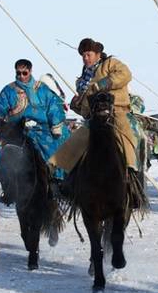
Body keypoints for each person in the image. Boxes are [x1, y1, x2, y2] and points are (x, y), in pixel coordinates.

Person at [49, 38, 141, 186]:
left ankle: (131, 172)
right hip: (93, 116)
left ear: (98, 54)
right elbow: (85, 110)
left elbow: (125, 74)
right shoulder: (82, 79)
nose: (85, 58)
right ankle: (62, 175)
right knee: (77, 140)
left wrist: (103, 84)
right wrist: (77, 105)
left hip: (115, 109)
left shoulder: (110, 63)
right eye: (83, 56)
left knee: (124, 134)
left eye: (88, 54)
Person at [0, 59, 70, 176]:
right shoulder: (8, 90)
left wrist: (55, 125)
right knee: (6, 157)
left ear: (30, 71)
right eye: (18, 73)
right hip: (17, 130)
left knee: (52, 153)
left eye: (24, 73)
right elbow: (0, 107)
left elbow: (53, 106)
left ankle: (55, 179)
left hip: (42, 129)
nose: (21, 76)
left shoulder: (42, 89)